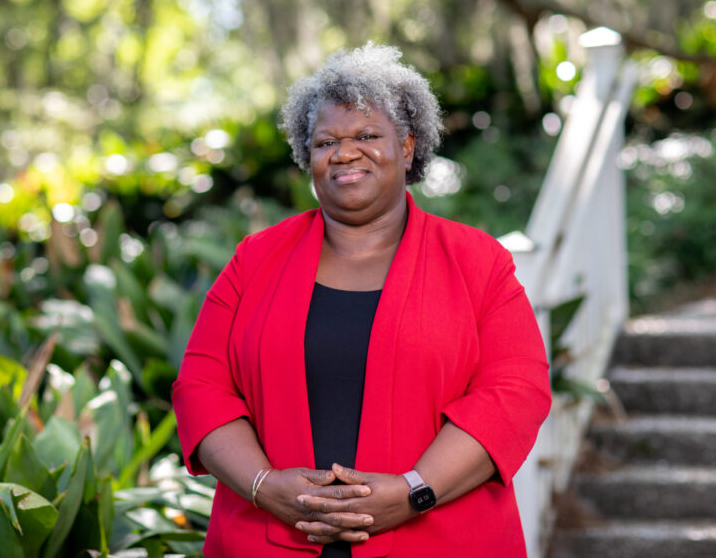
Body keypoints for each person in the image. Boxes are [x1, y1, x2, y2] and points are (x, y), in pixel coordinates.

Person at [172, 43, 551, 557]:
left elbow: (515, 393)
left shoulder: (476, 262)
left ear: (409, 145)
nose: (345, 153)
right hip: (268, 541)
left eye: (368, 135)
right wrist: (264, 485)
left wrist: (414, 491)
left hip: (440, 541)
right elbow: (201, 386)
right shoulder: (254, 260)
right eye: (326, 141)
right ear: (309, 157)